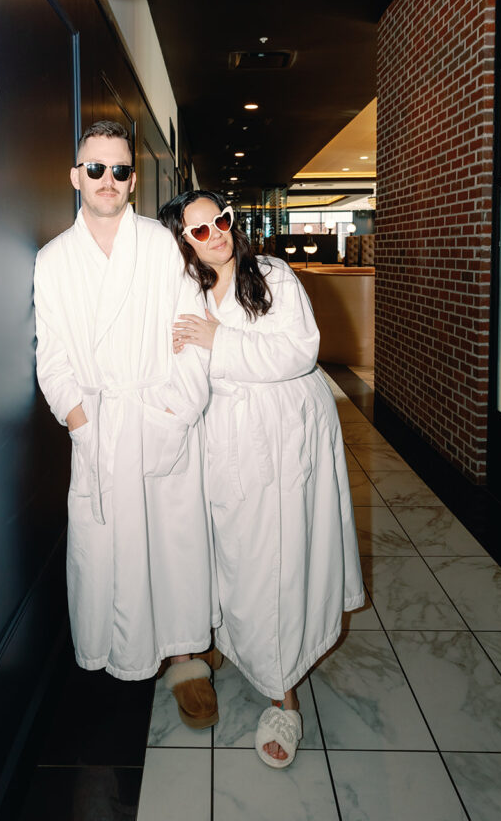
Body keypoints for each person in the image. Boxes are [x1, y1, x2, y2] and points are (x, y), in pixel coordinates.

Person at [159, 190, 364, 767]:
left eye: (219, 221)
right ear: (183, 242)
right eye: (198, 231)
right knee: (237, 553)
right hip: (227, 437)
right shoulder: (184, 291)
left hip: (286, 435)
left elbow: (299, 351)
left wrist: (218, 340)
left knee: (279, 560)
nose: (215, 234)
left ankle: (284, 697)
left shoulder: (270, 272)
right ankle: (237, 645)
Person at [33, 122, 219, 727]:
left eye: (118, 170)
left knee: (175, 546)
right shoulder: (54, 259)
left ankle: (189, 657)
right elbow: (52, 357)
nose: (106, 180)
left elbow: (192, 333)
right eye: (95, 168)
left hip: (161, 416)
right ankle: (122, 660)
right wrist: (84, 425)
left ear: (133, 180)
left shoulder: (163, 246)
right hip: (102, 429)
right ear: (75, 176)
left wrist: (172, 415)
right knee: (110, 554)